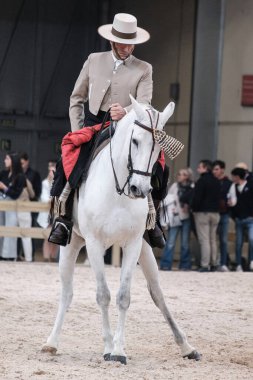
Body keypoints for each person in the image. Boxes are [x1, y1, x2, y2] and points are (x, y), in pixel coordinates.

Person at [49, 13, 166, 249]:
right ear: (112, 41)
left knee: (159, 164)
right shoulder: (94, 60)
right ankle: (63, 219)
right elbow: (76, 98)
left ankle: (153, 223)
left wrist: (124, 112)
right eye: (124, 42)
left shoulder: (144, 68)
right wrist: (77, 132)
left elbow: (144, 103)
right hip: (93, 125)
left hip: (127, 126)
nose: (129, 47)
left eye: (132, 42)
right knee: (67, 163)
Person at [159, 168, 194, 271]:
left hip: (186, 217)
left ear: (187, 176)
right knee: (170, 241)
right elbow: (168, 199)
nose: (179, 176)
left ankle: (185, 265)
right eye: (179, 174)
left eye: (182, 174)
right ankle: (166, 264)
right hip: (175, 216)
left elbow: (194, 199)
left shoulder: (192, 186)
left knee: (185, 243)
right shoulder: (175, 186)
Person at [0, 152, 32, 261]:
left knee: (10, 230)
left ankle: (8, 256)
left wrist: (5, 188)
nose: (5, 160)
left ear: (13, 161)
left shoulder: (20, 177)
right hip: (2, 204)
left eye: (7, 159)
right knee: (1, 228)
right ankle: (1, 254)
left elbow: (15, 194)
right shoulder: (4, 173)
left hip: (13, 206)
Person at [192, 160, 220, 272]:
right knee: (212, 239)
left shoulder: (201, 181)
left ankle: (205, 264)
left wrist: (193, 208)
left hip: (203, 213)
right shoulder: (217, 181)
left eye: (200, 166)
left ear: (205, 168)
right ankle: (213, 264)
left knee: (204, 240)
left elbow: (197, 198)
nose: (198, 168)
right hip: (216, 213)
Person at [229, 167, 253, 272]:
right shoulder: (233, 187)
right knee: (238, 243)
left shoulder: (250, 185)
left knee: (252, 240)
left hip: (250, 218)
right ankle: (239, 264)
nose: (232, 178)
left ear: (237, 177)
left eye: (233, 176)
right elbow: (232, 201)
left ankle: (251, 261)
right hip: (239, 219)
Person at [37, 160, 59, 262]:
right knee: (47, 236)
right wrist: (51, 200)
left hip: (57, 212)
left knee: (55, 237)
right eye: (50, 170)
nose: (52, 172)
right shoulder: (44, 183)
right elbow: (44, 198)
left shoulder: (60, 182)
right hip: (47, 213)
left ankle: (53, 257)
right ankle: (46, 257)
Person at [212, 160, 232, 272]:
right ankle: (215, 262)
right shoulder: (212, 182)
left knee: (223, 239)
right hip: (214, 213)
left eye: (217, 169)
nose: (215, 172)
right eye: (214, 169)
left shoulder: (228, 183)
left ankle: (224, 263)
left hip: (224, 214)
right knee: (212, 240)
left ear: (222, 170)